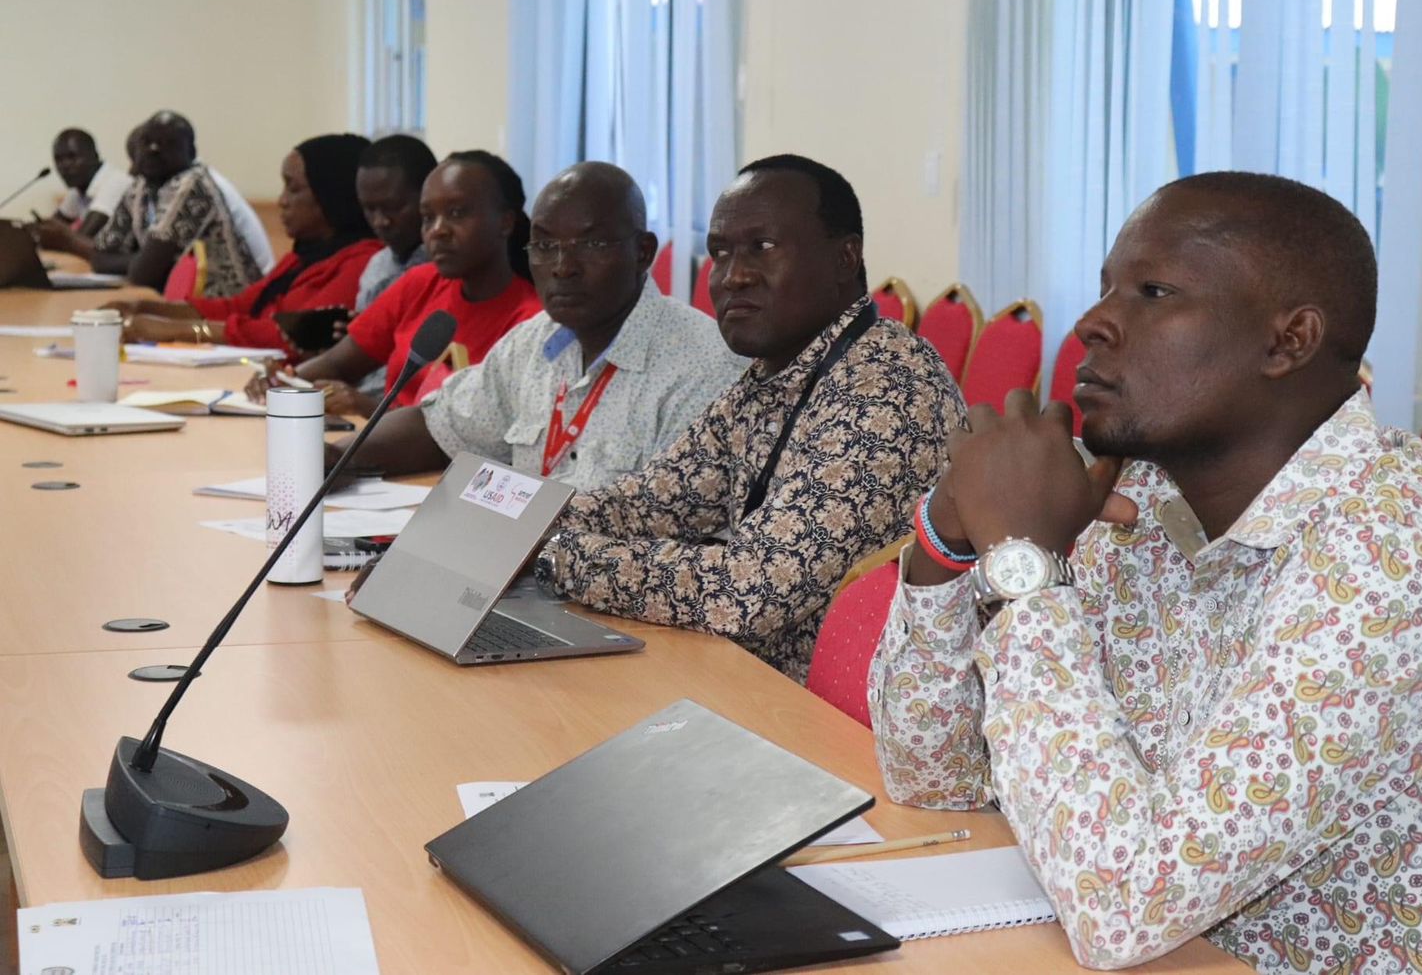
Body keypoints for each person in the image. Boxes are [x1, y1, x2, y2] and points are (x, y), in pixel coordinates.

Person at [868, 173, 1422, 971]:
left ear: (1289, 341)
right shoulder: (1136, 497)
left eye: (1152, 292)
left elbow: (1124, 908)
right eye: (1108, 287)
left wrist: (1027, 568)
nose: (1094, 322)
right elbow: (934, 777)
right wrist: (950, 536)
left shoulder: (1396, 561)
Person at [524, 155, 965, 683]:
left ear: (845, 258)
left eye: (763, 248)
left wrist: (555, 556)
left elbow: (748, 592)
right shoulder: (778, 373)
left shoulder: (885, 388)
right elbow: (648, 502)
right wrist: (515, 519)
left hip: (826, 722)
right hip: (740, 679)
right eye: (720, 253)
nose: (734, 277)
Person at [330, 161, 743, 486]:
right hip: (518, 571)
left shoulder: (702, 366)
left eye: (592, 244)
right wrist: (334, 459)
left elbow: (668, 530)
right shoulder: (533, 344)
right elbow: (441, 427)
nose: (562, 267)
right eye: (545, 245)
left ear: (642, 251)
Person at [250, 150, 541, 416]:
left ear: (505, 222)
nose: (438, 231)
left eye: (456, 213)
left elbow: (481, 434)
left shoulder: (529, 322)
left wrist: (370, 408)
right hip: (380, 455)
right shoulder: (420, 283)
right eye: (428, 218)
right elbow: (340, 363)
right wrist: (282, 379)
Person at [106, 133, 381, 355]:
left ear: (332, 195)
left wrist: (173, 330)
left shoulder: (361, 263)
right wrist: (141, 309)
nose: (282, 201)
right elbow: (238, 307)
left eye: (294, 188)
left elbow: (290, 336)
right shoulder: (303, 257)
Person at [48, 112, 265, 296]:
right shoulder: (142, 186)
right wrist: (143, 261)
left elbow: (143, 274)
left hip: (229, 305)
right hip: (180, 303)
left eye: (167, 143)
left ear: (191, 153)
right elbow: (100, 256)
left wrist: (144, 264)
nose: (153, 149)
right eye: (146, 142)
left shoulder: (192, 184)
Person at [352, 134, 437, 311]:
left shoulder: (452, 265)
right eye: (369, 208)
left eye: (393, 206)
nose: (379, 221)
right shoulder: (377, 266)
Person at [39, 128, 132, 240]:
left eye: (72, 157)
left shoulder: (115, 181)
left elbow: (82, 237)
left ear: (95, 156)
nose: (65, 166)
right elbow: (53, 226)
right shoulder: (79, 188)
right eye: (58, 159)